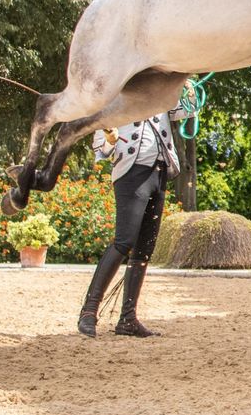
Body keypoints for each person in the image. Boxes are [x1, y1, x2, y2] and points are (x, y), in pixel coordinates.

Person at [77, 107, 182, 337]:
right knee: (123, 242)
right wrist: (109, 138)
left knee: (144, 249)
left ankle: (128, 319)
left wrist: (189, 91)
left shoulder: (161, 90)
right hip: (131, 172)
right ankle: (89, 311)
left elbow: (183, 112)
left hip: (160, 170)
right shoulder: (115, 96)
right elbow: (102, 147)